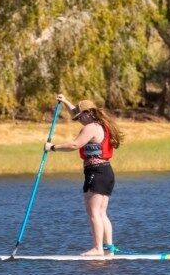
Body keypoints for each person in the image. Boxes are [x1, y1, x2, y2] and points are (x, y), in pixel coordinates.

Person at [45, 94, 124, 256]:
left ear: (89, 113)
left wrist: (52, 147)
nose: (78, 118)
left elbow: (75, 145)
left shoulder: (91, 128)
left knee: (93, 212)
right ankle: (108, 249)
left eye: (81, 115)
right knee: (101, 213)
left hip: (96, 173)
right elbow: (75, 112)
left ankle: (97, 248)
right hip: (106, 172)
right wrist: (65, 101)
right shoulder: (101, 125)